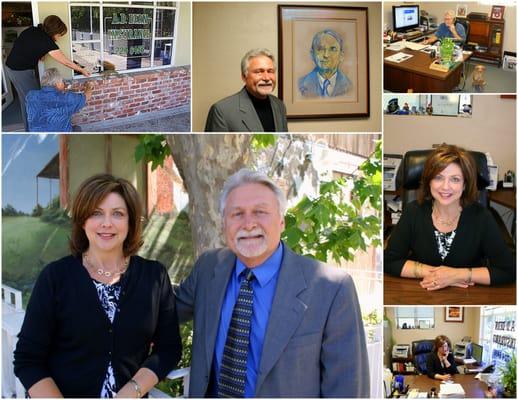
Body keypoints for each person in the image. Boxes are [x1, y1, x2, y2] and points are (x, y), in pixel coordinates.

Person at [175, 168, 369, 397]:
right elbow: (164, 309)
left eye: (260, 212)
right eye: (237, 214)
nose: (248, 224)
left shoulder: (331, 289)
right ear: (223, 224)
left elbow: (347, 390)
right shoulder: (209, 267)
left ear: (282, 222)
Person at [13, 174, 181, 397]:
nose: (106, 223)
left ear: (130, 221)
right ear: (83, 220)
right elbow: (28, 359)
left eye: (118, 214)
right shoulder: (55, 277)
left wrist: (132, 390)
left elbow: (168, 348)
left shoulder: (154, 277)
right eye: (96, 213)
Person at [384, 144, 516, 290]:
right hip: (422, 291)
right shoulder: (413, 212)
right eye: (438, 177)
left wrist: (458, 275)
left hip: (469, 296)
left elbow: (509, 270)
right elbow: (390, 261)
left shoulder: (481, 217)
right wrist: (443, 275)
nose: (445, 187)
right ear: (429, 181)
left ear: (465, 184)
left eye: (455, 179)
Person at [5, 15, 91, 130]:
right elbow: (66, 62)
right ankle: (31, 131)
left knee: (27, 99)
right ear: (54, 32)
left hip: (13, 66)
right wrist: (81, 69)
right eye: (60, 34)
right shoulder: (47, 42)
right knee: (32, 101)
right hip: (19, 70)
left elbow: (29, 45)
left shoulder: (34, 30)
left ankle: (32, 128)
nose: (59, 37)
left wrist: (41, 54)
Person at [205, 48, 288, 132]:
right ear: (244, 77)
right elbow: (214, 144)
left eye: (270, 71)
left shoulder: (279, 106)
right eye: (259, 72)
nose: (266, 78)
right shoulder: (221, 111)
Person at [26, 68, 93, 132]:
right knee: (77, 128)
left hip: (36, 136)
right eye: (62, 81)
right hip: (59, 137)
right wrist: (89, 86)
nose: (64, 83)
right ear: (57, 83)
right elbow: (87, 96)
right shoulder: (67, 98)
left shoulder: (31, 95)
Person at [299, 29, 351, 97]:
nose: (326, 55)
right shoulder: (300, 84)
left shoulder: (349, 86)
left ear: (341, 56)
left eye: (332, 49)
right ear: (312, 55)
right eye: (320, 49)